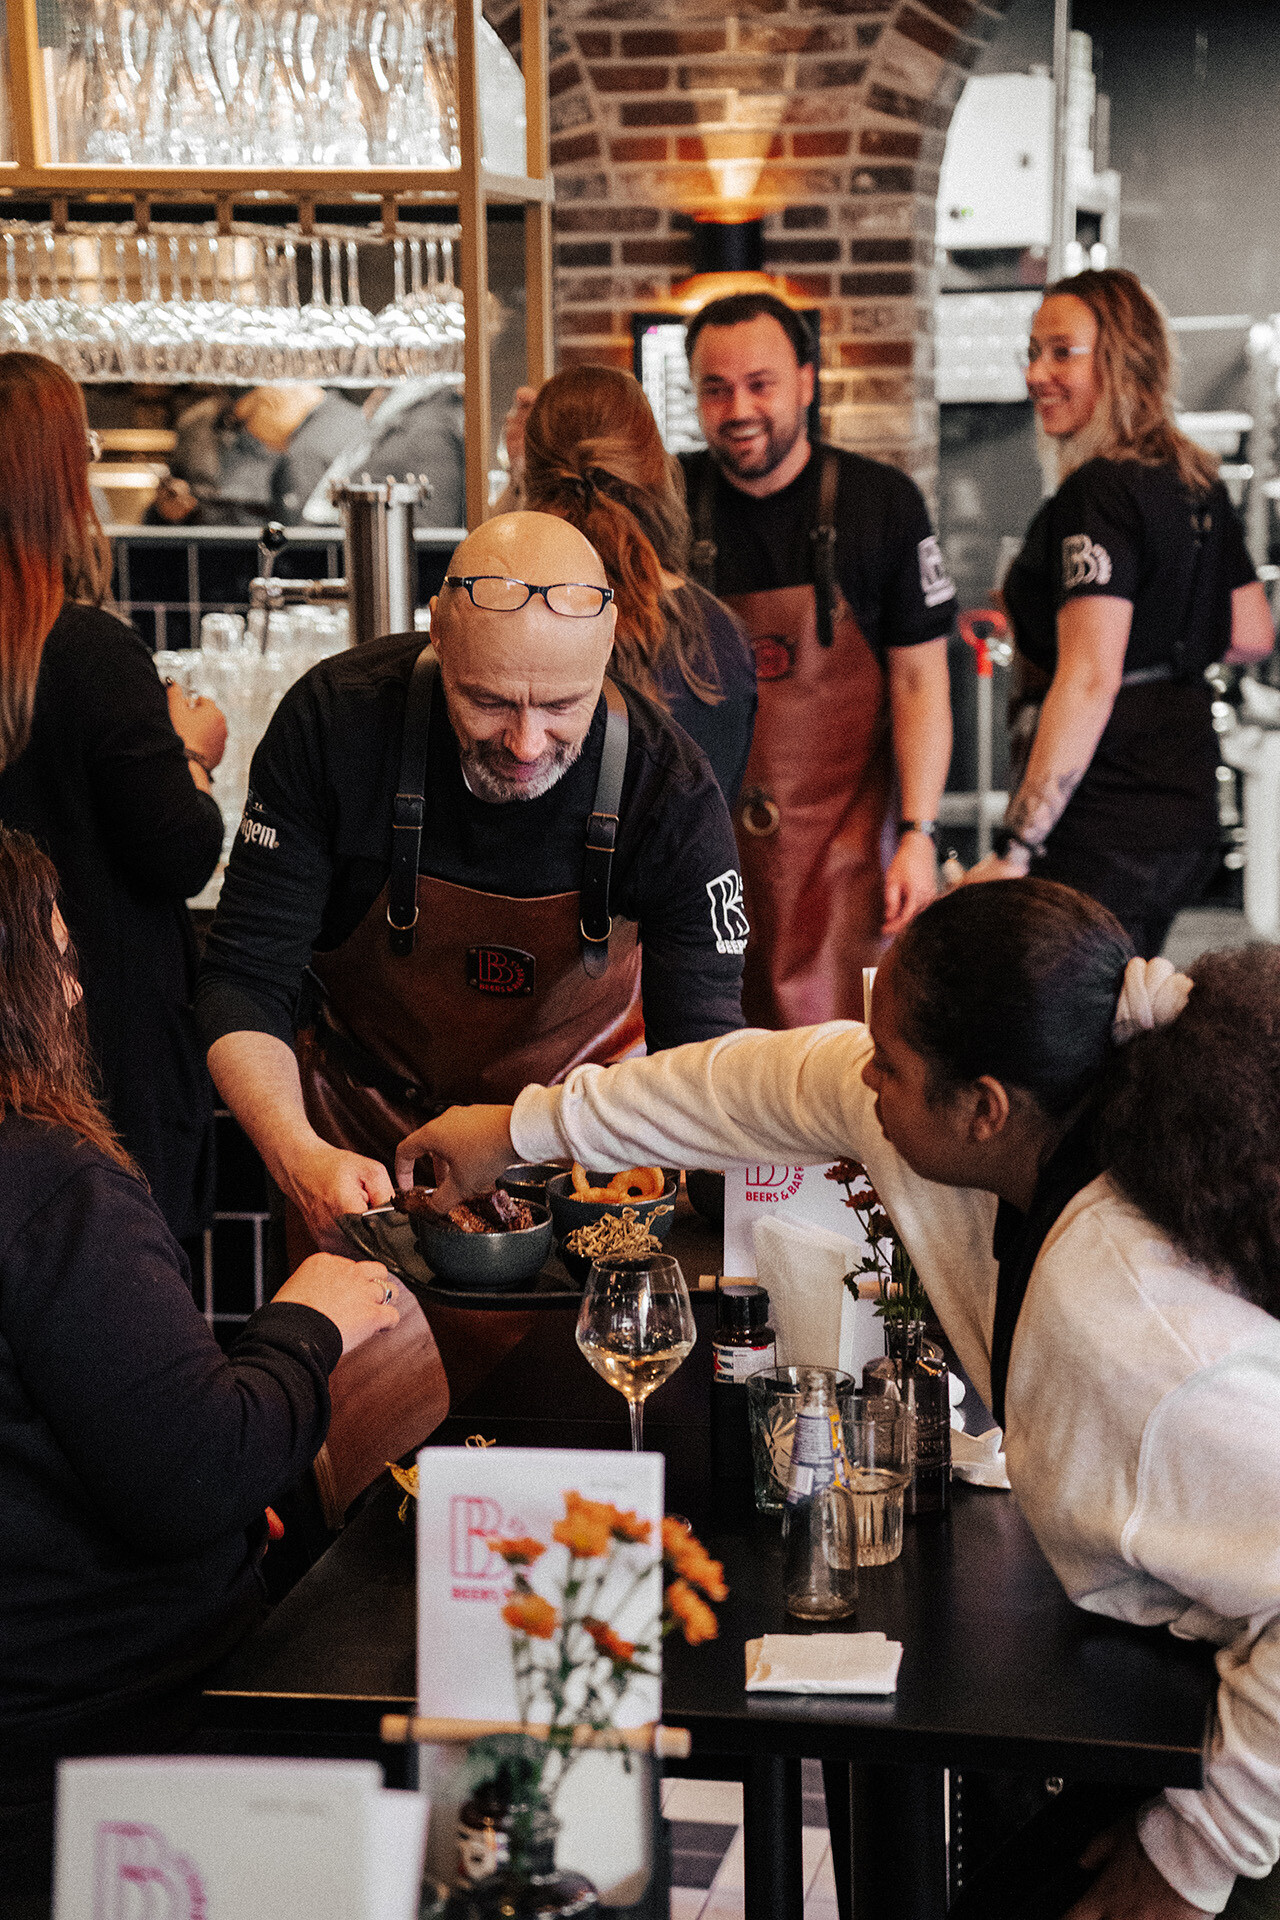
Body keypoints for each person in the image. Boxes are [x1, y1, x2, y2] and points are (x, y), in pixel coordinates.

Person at [410, 877, 1280, 1920]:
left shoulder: (1127, 1324)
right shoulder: (1031, 1123)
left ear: (982, 1107)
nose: (859, 1075)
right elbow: (765, 1080)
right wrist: (522, 1129)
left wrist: (1193, 1859)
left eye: (890, 1066)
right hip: (1175, 1695)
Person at [196, 510, 747, 1390]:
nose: (526, 745)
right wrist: (300, 1158)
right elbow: (241, 981)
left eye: (561, 708)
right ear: (438, 642)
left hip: (581, 1184)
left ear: (605, 658)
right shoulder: (336, 726)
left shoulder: (668, 790)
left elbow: (704, 1061)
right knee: (361, 1477)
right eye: (489, 701)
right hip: (362, 1166)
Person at [0, 826, 399, 1919]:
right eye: (61, 952)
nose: (79, 985)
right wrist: (305, 1324)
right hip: (109, 1751)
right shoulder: (50, 1186)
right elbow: (193, 1476)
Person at [969, 267, 1275, 957]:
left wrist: (1017, 847)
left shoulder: (1098, 493)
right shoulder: (1195, 478)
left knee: (1069, 1030)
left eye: (1062, 352)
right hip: (1186, 794)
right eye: (1033, 351)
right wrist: (1152, 620)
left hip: (1107, 814)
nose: (1037, 373)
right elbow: (1253, 633)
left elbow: (1089, 679)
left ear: (1123, 360)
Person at [0, 351, 227, 1246]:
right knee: (127, 1307)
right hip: (97, 1048)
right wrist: (194, 754)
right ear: (61, 481)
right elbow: (179, 850)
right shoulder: (91, 653)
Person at [681, 289, 955, 1028]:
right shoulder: (664, 505)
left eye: (760, 384)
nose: (738, 408)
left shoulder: (882, 503)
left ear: (807, 379)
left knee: (850, 1068)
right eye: (716, 388)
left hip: (852, 855)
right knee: (713, 1075)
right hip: (703, 858)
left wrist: (921, 835)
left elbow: (920, 680)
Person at [514, 363, 758, 808]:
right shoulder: (723, 636)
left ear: (529, 475)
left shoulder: (509, 621)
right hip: (688, 877)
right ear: (657, 468)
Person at [302, 375, 467, 530]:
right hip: (362, 549)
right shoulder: (400, 414)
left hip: (385, 552)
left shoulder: (431, 428)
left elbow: (435, 529)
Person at [235, 383, 368, 525]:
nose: (249, 432)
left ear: (271, 403)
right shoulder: (351, 415)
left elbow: (302, 538)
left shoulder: (303, 455)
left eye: (246, 421)